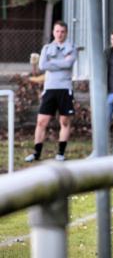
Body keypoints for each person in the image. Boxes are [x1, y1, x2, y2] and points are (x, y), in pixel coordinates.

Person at [25, 21, 78, 162]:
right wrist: (59, 63)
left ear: (66, 33)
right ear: (53, 32)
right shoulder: (47, 48)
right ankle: (36, 154)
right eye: (57, 31)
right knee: (41, 121)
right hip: (49, 89)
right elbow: (42, 65)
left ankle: (60, 153)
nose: (59, 34)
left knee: (64, 121)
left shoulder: (71, 47)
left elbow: (68, 64)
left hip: (65, 89)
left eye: (62, 31)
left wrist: (52, 63)